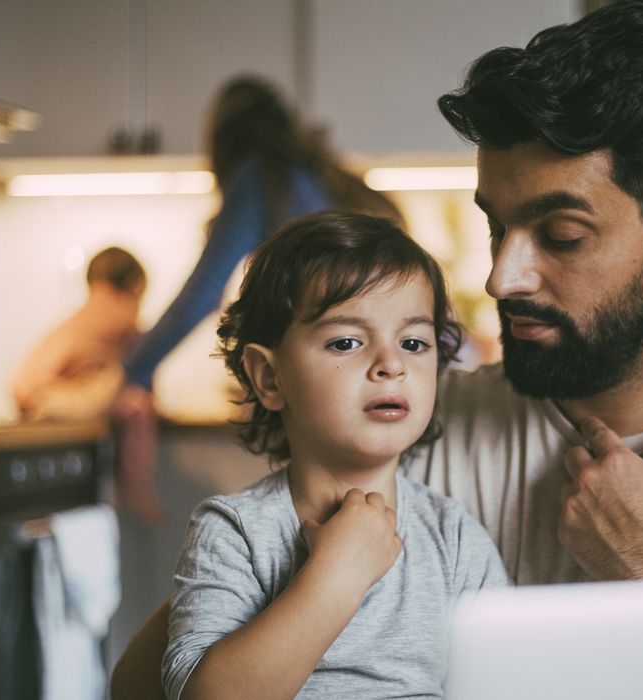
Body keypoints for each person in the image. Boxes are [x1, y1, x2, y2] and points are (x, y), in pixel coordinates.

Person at [109, 2, 643, 693]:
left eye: (560, 233)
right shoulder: (408, 424)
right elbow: (150, 687)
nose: (503, 274)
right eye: (495, 225)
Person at [162, 211, 507, 700]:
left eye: (413, 343)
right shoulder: (234, 531)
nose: (391, 365)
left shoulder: (453, 538)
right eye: (346, 342)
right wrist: (337, 576)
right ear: (268, 378)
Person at [111, 75, 403, 524]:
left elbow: (202, 295)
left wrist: (134, 371)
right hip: (386, 375)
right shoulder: (318, 174)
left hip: (339, 372)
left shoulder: (260, 174)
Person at [11, 246, 145, 422]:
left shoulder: (72, 323)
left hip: (31, 406)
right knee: (138, 403)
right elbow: (143, 377)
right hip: (56, 409)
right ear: (135, 287)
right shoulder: (123, 320)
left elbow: (21, 386)